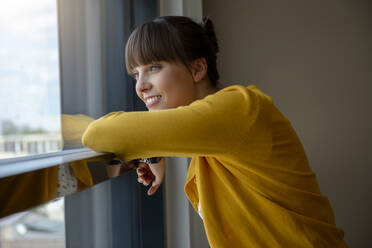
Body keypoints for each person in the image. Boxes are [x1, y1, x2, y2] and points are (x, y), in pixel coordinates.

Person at [82, 16, 347, 248]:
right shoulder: (210, 140)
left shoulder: (239, 108)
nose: (140, 86)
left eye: (153, 67)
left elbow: (97, 134)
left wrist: (150, 146)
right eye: (135, 74)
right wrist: (153, 151)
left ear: (197, 69)